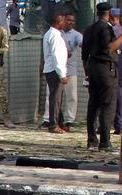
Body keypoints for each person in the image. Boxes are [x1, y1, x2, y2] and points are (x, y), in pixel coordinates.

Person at [82, 2, 122, 150]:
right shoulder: (106, 28)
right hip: (106, 68)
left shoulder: (89, 29)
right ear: (110, 14)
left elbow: (84, 55)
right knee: (108, 104)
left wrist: (87, 73)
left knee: (93, 105)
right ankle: (105, 142)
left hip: (92, 67)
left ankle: (92, 140)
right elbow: (110, 47)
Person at [42, 5, 71, 133]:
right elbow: (56, 56)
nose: (65, 22)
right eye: (64, 20)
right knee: (56, 98)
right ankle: (53, 124)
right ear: (59, 21)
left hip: (52, 69)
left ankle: (60, 121)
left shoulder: (51, 34)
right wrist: (61, 74)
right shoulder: (54, 36)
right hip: (55, 70)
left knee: (57, 97)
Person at [111, 7, 122, 134]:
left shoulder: (111, 31)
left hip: (112, 67)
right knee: (120, 96)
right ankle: (119, 124)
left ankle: (106, 124)